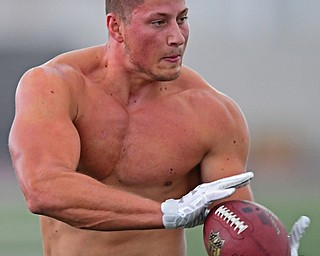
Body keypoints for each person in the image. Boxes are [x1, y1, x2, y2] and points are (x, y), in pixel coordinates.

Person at [8, 0, 256, 255]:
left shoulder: (213, 113)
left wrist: (269, 247)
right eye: (158, 22)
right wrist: (168, 212)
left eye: (181, 19)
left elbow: (239, 230)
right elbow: (43, 188)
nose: (177, 37)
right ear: (116, 27)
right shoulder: (54, 86)